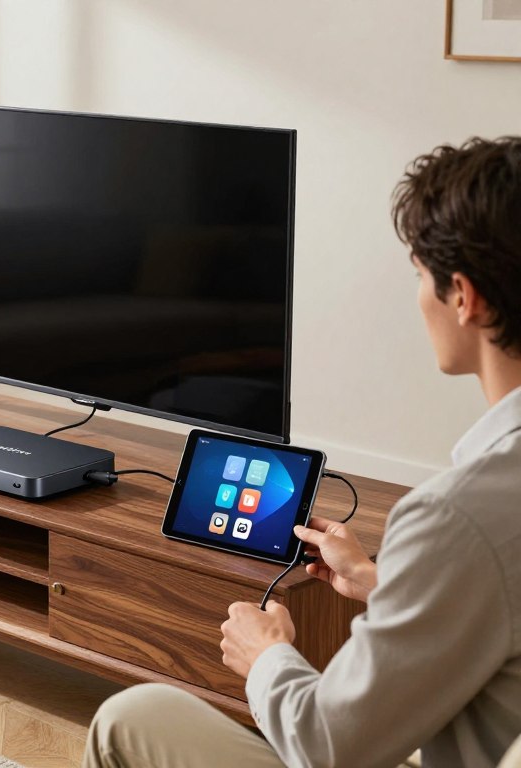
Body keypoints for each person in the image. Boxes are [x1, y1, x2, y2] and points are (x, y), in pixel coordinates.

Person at [83, 135, 521, 768]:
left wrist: (268, 656)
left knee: (130, 718)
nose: (417, 297)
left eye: (420, 276)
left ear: (463, 296)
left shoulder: (456, 516)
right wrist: (384, 582)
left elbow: (329, 745)